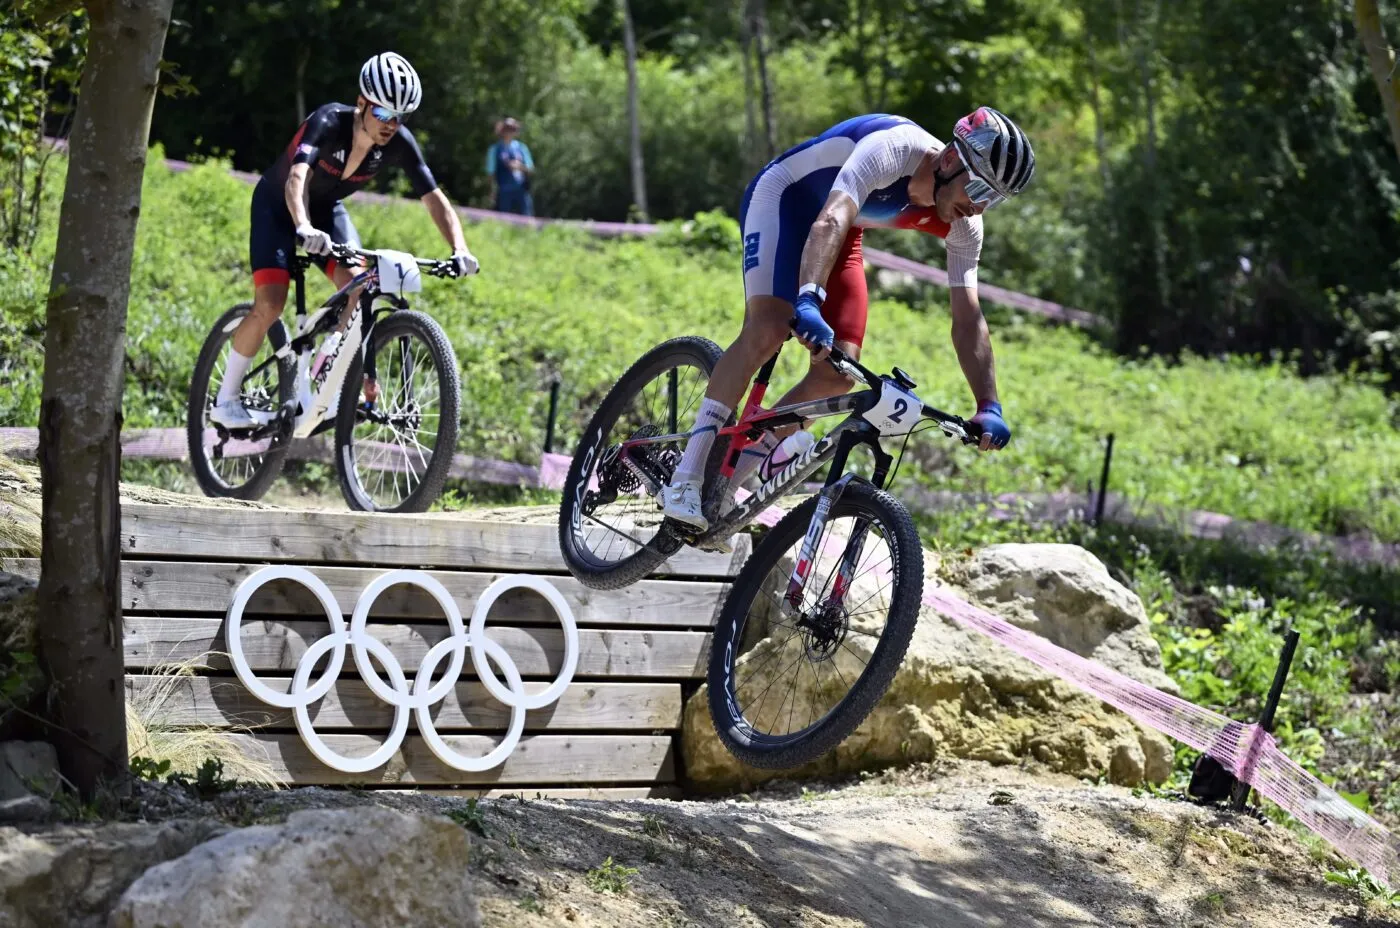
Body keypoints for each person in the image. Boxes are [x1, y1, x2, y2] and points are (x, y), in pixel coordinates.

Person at [659, 107, 1036, 530]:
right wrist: (807, 301)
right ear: (950, 161)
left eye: (996, 198)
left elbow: (968, 317)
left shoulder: (967, 223)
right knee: (770, 326)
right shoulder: (894, 149)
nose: (981, 205)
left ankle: (724, 486)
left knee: (837, 373)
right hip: (788, 199)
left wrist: (989, 402)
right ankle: (686, 476)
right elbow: (830, 217)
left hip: (842, 231)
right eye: (982, 187)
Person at [211, 51, 479, 428]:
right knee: (271, 303)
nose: (391, 125)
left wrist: (460, 248)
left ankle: (325, 371)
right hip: (279, 206)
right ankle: (225, 399)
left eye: (399, 117)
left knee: (360, 285)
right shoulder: (327, 122)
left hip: (326, 211)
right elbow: (297, 178)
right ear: (361, 103)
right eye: (383, 114)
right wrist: (302, 225)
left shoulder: (398, 142)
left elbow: (434, 198)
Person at [486, 116, 535, 216]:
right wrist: (491, 192)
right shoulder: (494, 149)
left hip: (521, 190)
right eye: (507, 128)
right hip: (504, 190)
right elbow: (491, 173)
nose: (510, 132)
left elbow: (530, 169)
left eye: (513, 129)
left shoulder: (521, 148)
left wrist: (519, 167)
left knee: (527, 219)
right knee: (504, 219)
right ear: (502, 130)